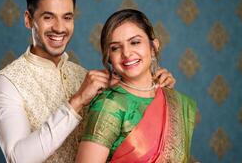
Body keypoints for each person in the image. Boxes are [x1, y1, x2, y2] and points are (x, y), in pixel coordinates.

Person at [0, 0, 176, 163]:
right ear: (29, 20)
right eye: (48, 17)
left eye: (67, 18)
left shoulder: (83, 75)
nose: (59, 28)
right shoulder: (6, 82)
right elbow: (18, 158)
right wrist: (76, 102)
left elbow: (132, 133)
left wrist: (156, 85)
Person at [76, 9, 197, 163]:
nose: (126, 53)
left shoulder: (171, 99)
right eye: (115, 47)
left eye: (135, 42)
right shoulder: (109, 104)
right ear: (109, 57)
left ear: (153, 47)